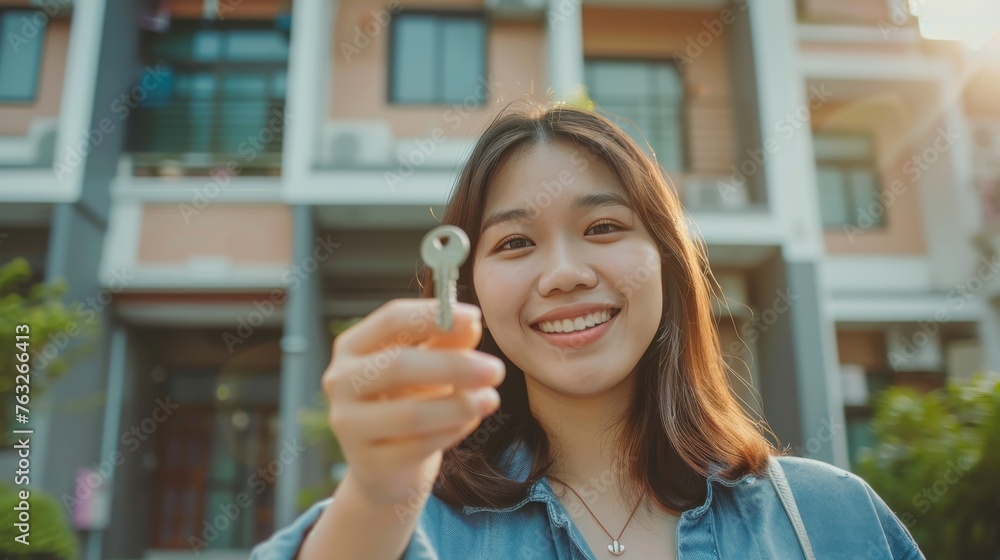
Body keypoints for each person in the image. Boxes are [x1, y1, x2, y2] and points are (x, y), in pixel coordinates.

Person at [250, 102, 925, 559]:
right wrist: (373, 498)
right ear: (471, 284)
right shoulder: (415, 530)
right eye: (515, 243)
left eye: (603, 228)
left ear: (666, 260)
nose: (565, 274)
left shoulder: (830, 521)